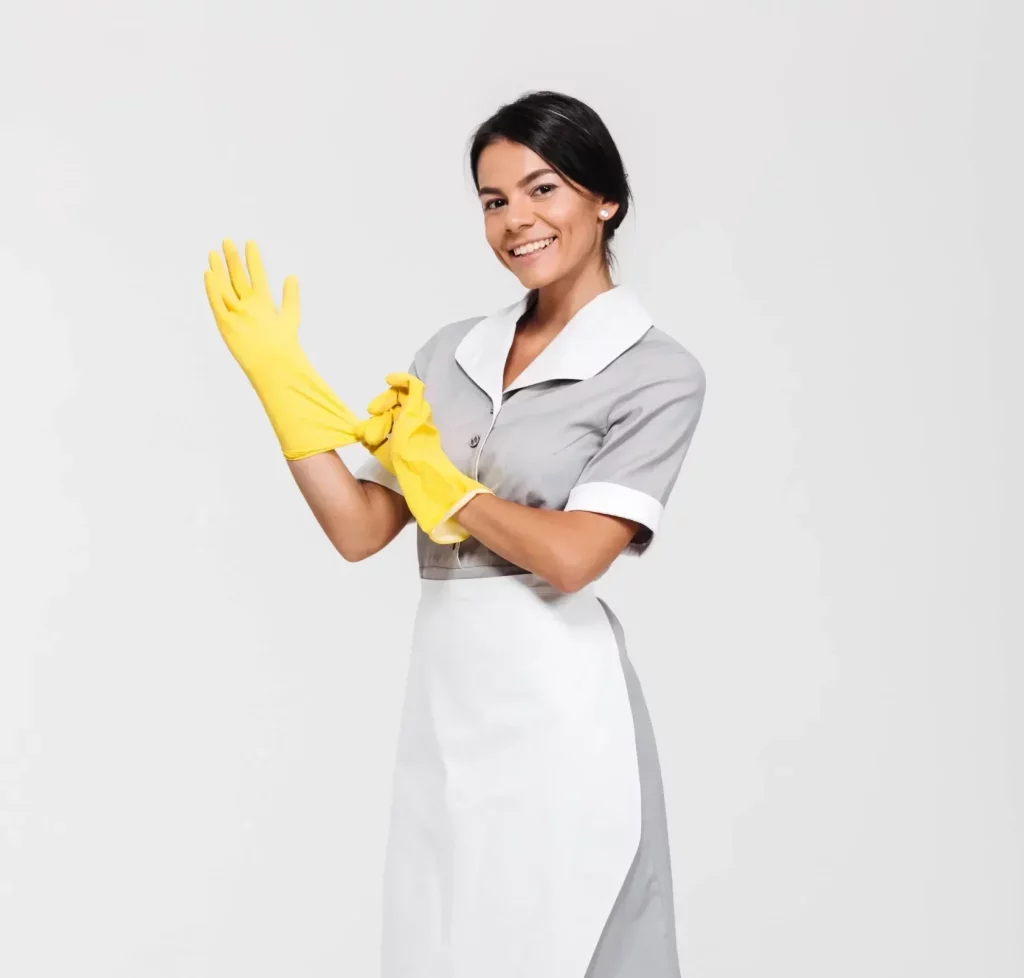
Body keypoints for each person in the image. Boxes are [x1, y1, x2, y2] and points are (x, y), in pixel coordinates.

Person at [204, 90, 706, 978]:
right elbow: (361, 531)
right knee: (443, 942)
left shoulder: (657, 373)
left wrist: (445, 483)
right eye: (493, 200)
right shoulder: (452, 353)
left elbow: (575, 556)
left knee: (569, 937)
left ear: (605, 199)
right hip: (445, 704)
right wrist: (285, 396)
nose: (517, 220)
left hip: (562, 711)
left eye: (542, 189)